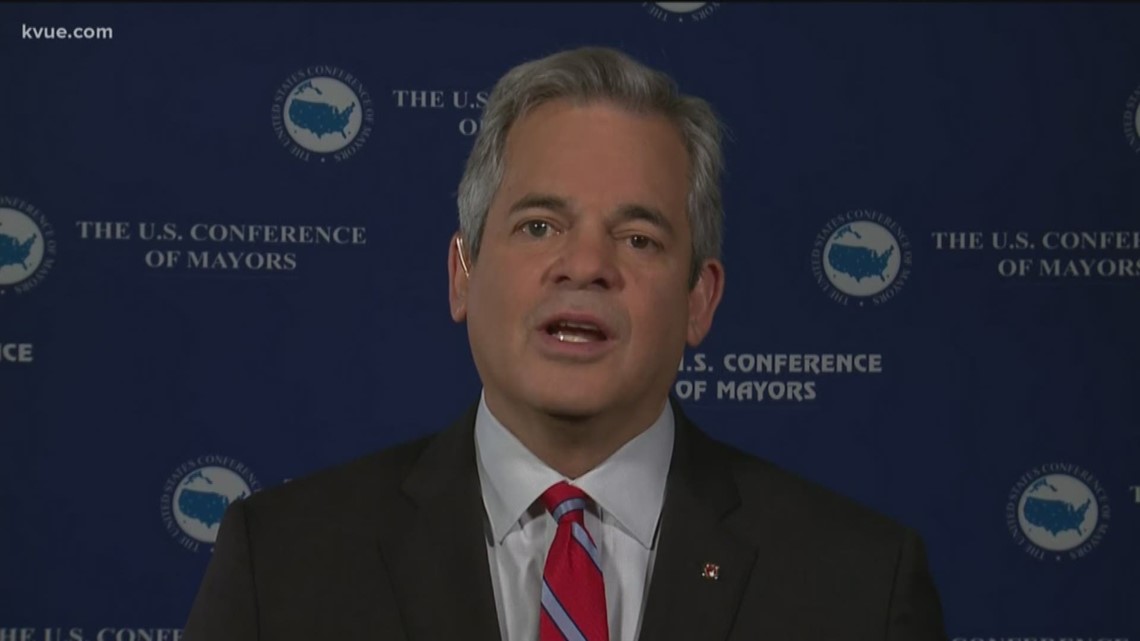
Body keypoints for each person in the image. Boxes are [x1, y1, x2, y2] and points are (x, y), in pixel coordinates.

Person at [184, 46, 947, 641]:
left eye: (638, 236)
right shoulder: (282, 564)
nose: (585, 265)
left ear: (699, 300)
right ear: (463, 272)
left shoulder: (858, 583)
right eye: (539, 226)